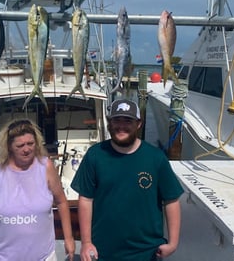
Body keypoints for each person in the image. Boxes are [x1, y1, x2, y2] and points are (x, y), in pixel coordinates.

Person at [71, 98, 184, 261]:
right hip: (103, 252)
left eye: (127, 121)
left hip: (147, 252)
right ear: (109, 123)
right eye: (117, 120)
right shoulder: (95, 155)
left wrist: (173, 243)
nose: (121, 126)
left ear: (138, 124)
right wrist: (86, 242)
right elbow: (86, 200)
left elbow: (171, 200)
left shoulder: (156, 158)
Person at [0, 119, 75, 261]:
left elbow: (61, 202)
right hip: (1, 257)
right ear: (9, 147)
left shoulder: (46, 166)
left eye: (30, 143)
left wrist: (69, 238)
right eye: (20, 145)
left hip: (43, 257)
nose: (26, 149)